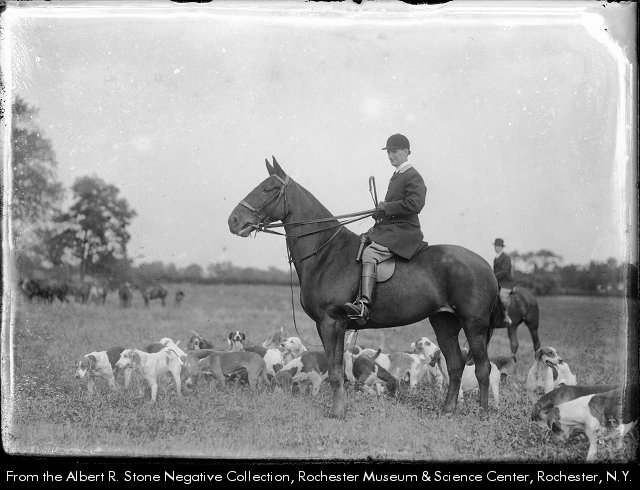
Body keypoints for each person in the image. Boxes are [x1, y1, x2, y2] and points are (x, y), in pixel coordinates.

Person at [344, 133, 427, 325]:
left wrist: (387, 207)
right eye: (388, 152)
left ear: (406, 151)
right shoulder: (397, 175)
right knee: (361, 243)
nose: (390, 155)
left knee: (370, 253)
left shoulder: (412, 175)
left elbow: (415, 204)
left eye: (394, 151)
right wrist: (381, 213)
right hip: (392, 229)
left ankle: (364, 305)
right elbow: (395, 207)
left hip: (405, 231)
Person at [493, 238, 514, 325]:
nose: (496, 248)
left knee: (502, 297)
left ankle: (506, 315)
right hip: (497, 283)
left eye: (498, 246)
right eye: (495, 246)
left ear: (502, 247)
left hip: (506, 283)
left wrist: (493, 276)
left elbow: (504, 272)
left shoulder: (506, 257)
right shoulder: (495, 258)